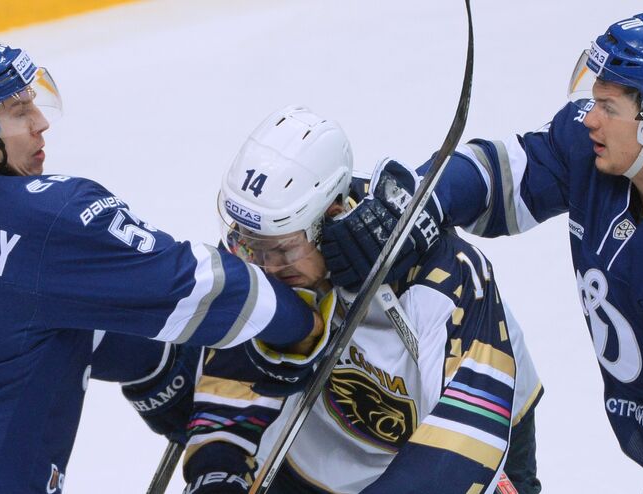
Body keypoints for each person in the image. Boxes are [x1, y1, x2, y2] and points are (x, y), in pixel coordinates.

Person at [321, 9, 643, 493]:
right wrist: (412, 207)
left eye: (607, 105)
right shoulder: (593, 152)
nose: (590, 117)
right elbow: (502, 177)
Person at [0, 38, 326, 493]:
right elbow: (206, 287)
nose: (41, 123)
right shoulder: (51, 219)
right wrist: (301, 328)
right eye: (19, 111)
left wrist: (156, 370)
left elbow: (11, 324)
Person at [180, 105, 543, 494]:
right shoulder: (261, 241)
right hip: (307, 461)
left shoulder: (446, 276)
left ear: (332, 215)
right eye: (249, 247)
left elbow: (465, 443)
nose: (265, 268)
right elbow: (236, 377)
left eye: (282, 251)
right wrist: (218, 468)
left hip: (470, 449)